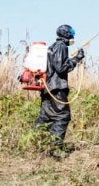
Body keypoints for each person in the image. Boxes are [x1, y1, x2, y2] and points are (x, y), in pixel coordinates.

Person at [35, 24, 84, 156]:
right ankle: (54, 149)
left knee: (46, 117)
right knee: (62, 116)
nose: (73, 36)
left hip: (47, 88)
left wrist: (71, 59)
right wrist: (76, 59)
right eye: (71, 33)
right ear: (67, 35)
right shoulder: (61, 46)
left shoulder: (52, 47)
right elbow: (61, 67)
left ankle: (38, 146)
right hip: (56, 89)